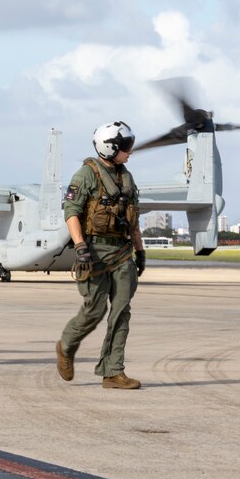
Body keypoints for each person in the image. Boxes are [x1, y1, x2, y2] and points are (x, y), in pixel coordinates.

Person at [56, 122, 145, 390]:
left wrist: (140, 251)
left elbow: (133, 218)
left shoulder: (126, 178)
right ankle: (66, 346)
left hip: (121, 252)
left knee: (121, 311)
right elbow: (71, 211)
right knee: (94, 310)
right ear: (110, 148)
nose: (130, 152)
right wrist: (80, 246)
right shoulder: (86, 175)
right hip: (93, 252)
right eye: (126, 148)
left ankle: (113, 371)